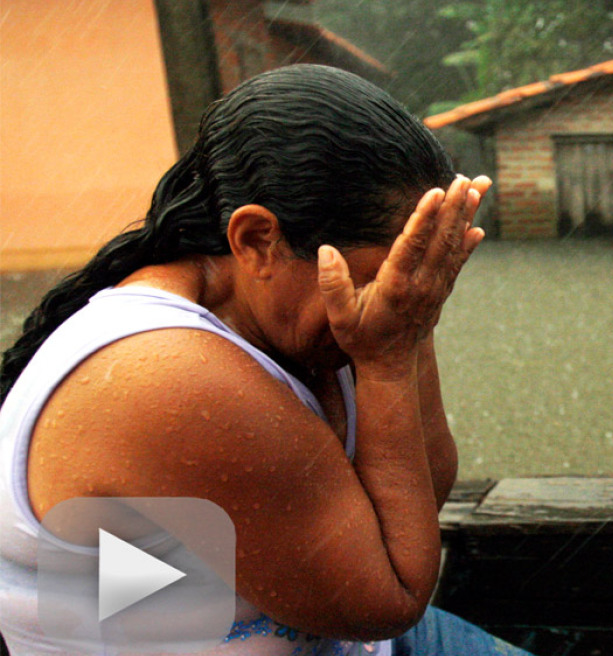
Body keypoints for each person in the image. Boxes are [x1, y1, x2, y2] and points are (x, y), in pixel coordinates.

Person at [0, 64, 532, 655]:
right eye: (385, 279)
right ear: (257, 241)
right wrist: (387, 358)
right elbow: (390, 598)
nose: (393, 302)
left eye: (417, 275)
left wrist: (413, 322)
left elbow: (420, 495)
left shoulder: (323, 314)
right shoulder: (170, 375)